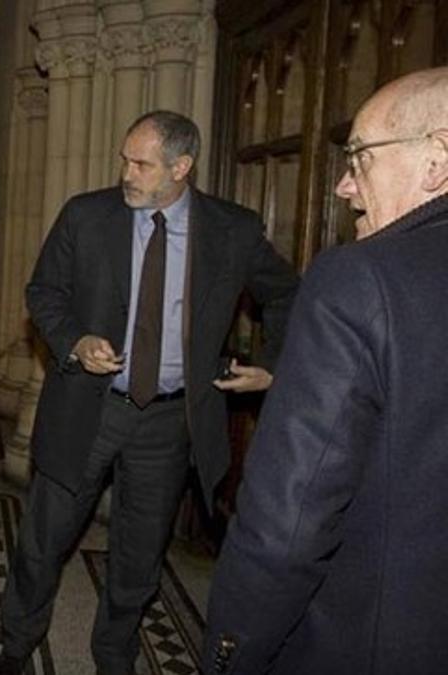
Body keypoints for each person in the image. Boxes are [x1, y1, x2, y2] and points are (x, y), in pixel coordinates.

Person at [0, 111, 299, 675]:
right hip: (89, 407)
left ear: (181, 168)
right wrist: (75, 340)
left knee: (139, 551)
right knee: (44, 538)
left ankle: (114, 652)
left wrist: (271, 368)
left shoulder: (233, 230)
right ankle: (16, 642)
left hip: (169, 420)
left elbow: (287, 295)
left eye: (141, 164)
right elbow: (44, 292)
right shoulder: (86, 216)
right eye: (124, 159)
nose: (126, 173)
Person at [202, 67, 448, 675]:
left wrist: (229, 650)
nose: (343, 185)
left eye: (359, 156)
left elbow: (291, 519)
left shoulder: (361, 278)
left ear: (435, 162)